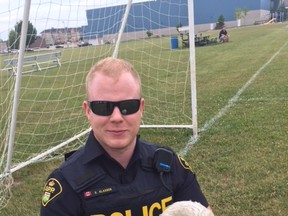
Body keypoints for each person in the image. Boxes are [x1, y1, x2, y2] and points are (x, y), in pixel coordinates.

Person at [40, 57, 212, 216]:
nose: (116, 117)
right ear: (88, 111)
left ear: (141, 108)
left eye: (128, 106)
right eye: (103, 107)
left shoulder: (170, 165)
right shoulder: (65, 183)